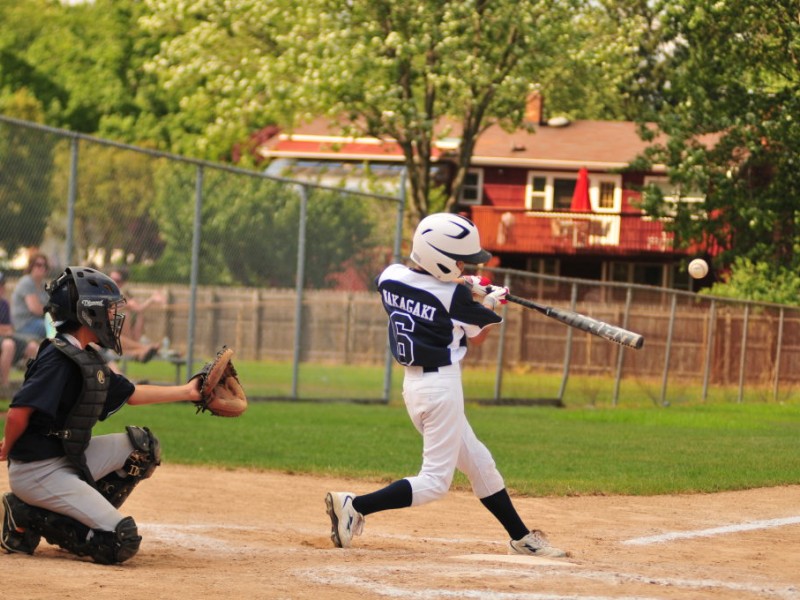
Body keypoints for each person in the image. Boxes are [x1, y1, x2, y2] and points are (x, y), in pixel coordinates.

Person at [325, 213, 568, 558]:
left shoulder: (390, 277)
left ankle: (521, 537)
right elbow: (478, 336)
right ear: (438, 257)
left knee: (480, 463)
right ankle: (354, 505)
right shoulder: (454, 300)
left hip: (415, 388)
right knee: (435, 483)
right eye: (458, 260)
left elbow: (427, 285)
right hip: (441, 389)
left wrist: (468, 283)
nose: (462, 265)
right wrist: (489, 302)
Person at [0, 266, 202, 564]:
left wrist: (188, 392)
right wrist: (8, 447)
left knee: (141, 448)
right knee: (120, 541)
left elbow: (131, 393)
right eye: (108, 310)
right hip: (38, 471)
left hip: (68, 459)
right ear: (87, 313)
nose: (113, 317)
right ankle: (24, 514)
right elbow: (18, 412)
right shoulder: (58, 358)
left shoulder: (85, 356)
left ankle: (76, 516)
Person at [0, 272, 39, 391]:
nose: (1, 288)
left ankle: (29, 388)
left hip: (5, 336)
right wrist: (5, 329)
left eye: (2, 285)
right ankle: (4, 387)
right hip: (5, 339)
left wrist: (5, 330)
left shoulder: (4, 304)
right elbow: (5, 328)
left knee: (33, 347)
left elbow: (10, 328)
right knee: (9, 345)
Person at [108, 266, 165, 343]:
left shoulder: (121, 295)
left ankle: (133, 343)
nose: (113, 282)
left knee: (138, 314)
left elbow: (138, 308)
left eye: (117, 281)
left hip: (117, 326)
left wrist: (152, 300)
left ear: (123, 283)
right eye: (110, 279)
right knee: (125, 315)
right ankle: (132, 344)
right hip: (105, 325)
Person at [10, 253, 51, 341]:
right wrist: (53, 311)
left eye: (45, 265)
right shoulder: (27, 282)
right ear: (31, 266)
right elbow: (35, 309)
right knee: (51, 328)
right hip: (24, 324)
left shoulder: (43, 284)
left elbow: (49, 305)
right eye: (38, 265)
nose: (42, 268)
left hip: (38, 321)